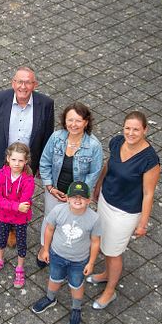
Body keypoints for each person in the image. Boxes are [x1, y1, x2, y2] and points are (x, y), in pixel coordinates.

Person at [87, 111, 160, 309]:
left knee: (113, 251)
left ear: (145, 130)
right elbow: (110, 165)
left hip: (125, 212)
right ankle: (105, 274)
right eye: (128, 128)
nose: (131, 132)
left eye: (136, 129)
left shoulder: (150, 160)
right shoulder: (117, 141)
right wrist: (99, 184)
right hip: (106, 200)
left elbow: (148, 194)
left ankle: (110, 292)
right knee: (103, 242)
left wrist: (143, 223)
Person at [0, 67, 55, 247]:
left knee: (21, 197)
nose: (23, 86)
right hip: (0, 160)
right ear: (13, 83)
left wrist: (41, 166)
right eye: (19, 82)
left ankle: (14, 228)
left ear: (34, 85)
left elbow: (47, 135)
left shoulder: (46, 103)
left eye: (28, 82)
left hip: (26, 165)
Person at [31, 181, 102, 324]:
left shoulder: (94, 219)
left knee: (76, 284)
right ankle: (50, 298)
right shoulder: (58, 210)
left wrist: (91, 263)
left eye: (82, 198)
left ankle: (76, 308)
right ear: (67, 198)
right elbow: (49, 229)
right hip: (57, 255)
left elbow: (95, 242)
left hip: (79, 260)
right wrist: (45, 249)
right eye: (74, 197)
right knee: (54, 278)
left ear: (88, 200)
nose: (78, 200)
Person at [39, 102, 103, 253]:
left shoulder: (94, 146)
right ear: (64, 120)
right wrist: (50, 187)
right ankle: (45, 248)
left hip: (77, 195)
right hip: (54, 190)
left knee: (72, 224)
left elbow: (93, 174)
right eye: (70, 120)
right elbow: (45, 162)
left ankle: (65, 251)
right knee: (50, 219)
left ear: (86, 122)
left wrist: (74, 195)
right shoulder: (56, 137)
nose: (73, 124)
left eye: (78, 120)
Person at [0, 142, 34, 288]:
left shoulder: (29, 180)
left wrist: (7, 204)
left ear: (26, 161)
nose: (17, 163)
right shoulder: (1, 174)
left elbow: (24, 206)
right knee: (1, 240)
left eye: (20, 160)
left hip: (20, 220)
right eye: (14, 159)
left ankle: (20, 268)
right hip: (3, 217)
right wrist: (15, 206)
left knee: (21, 243)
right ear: (8, 158)